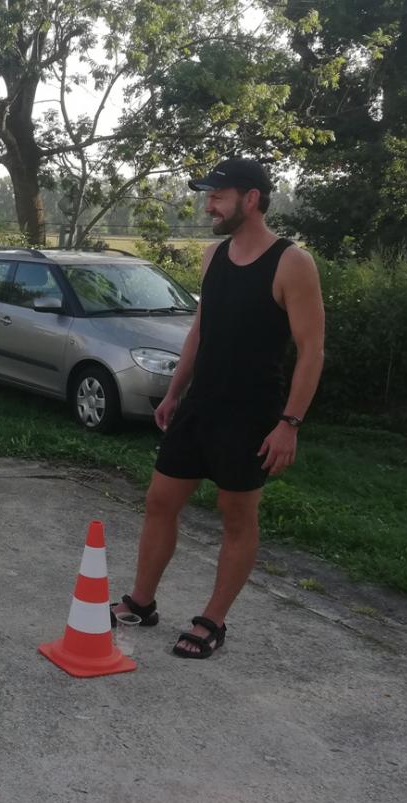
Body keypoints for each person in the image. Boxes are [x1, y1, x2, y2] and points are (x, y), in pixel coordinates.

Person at [111, 157, 325, 658]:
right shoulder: (214, 256)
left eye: (218, 196)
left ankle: (213, 620)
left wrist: (290, 424)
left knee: (236, 516)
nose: (209, 205)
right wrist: (174, 392)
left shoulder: (292, 262)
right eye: (208, 196)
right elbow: (200, 331)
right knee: (160, 501)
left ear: (251, 199)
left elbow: (312, 350)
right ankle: (141, 602)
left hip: (251, 412)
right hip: (200, 404)